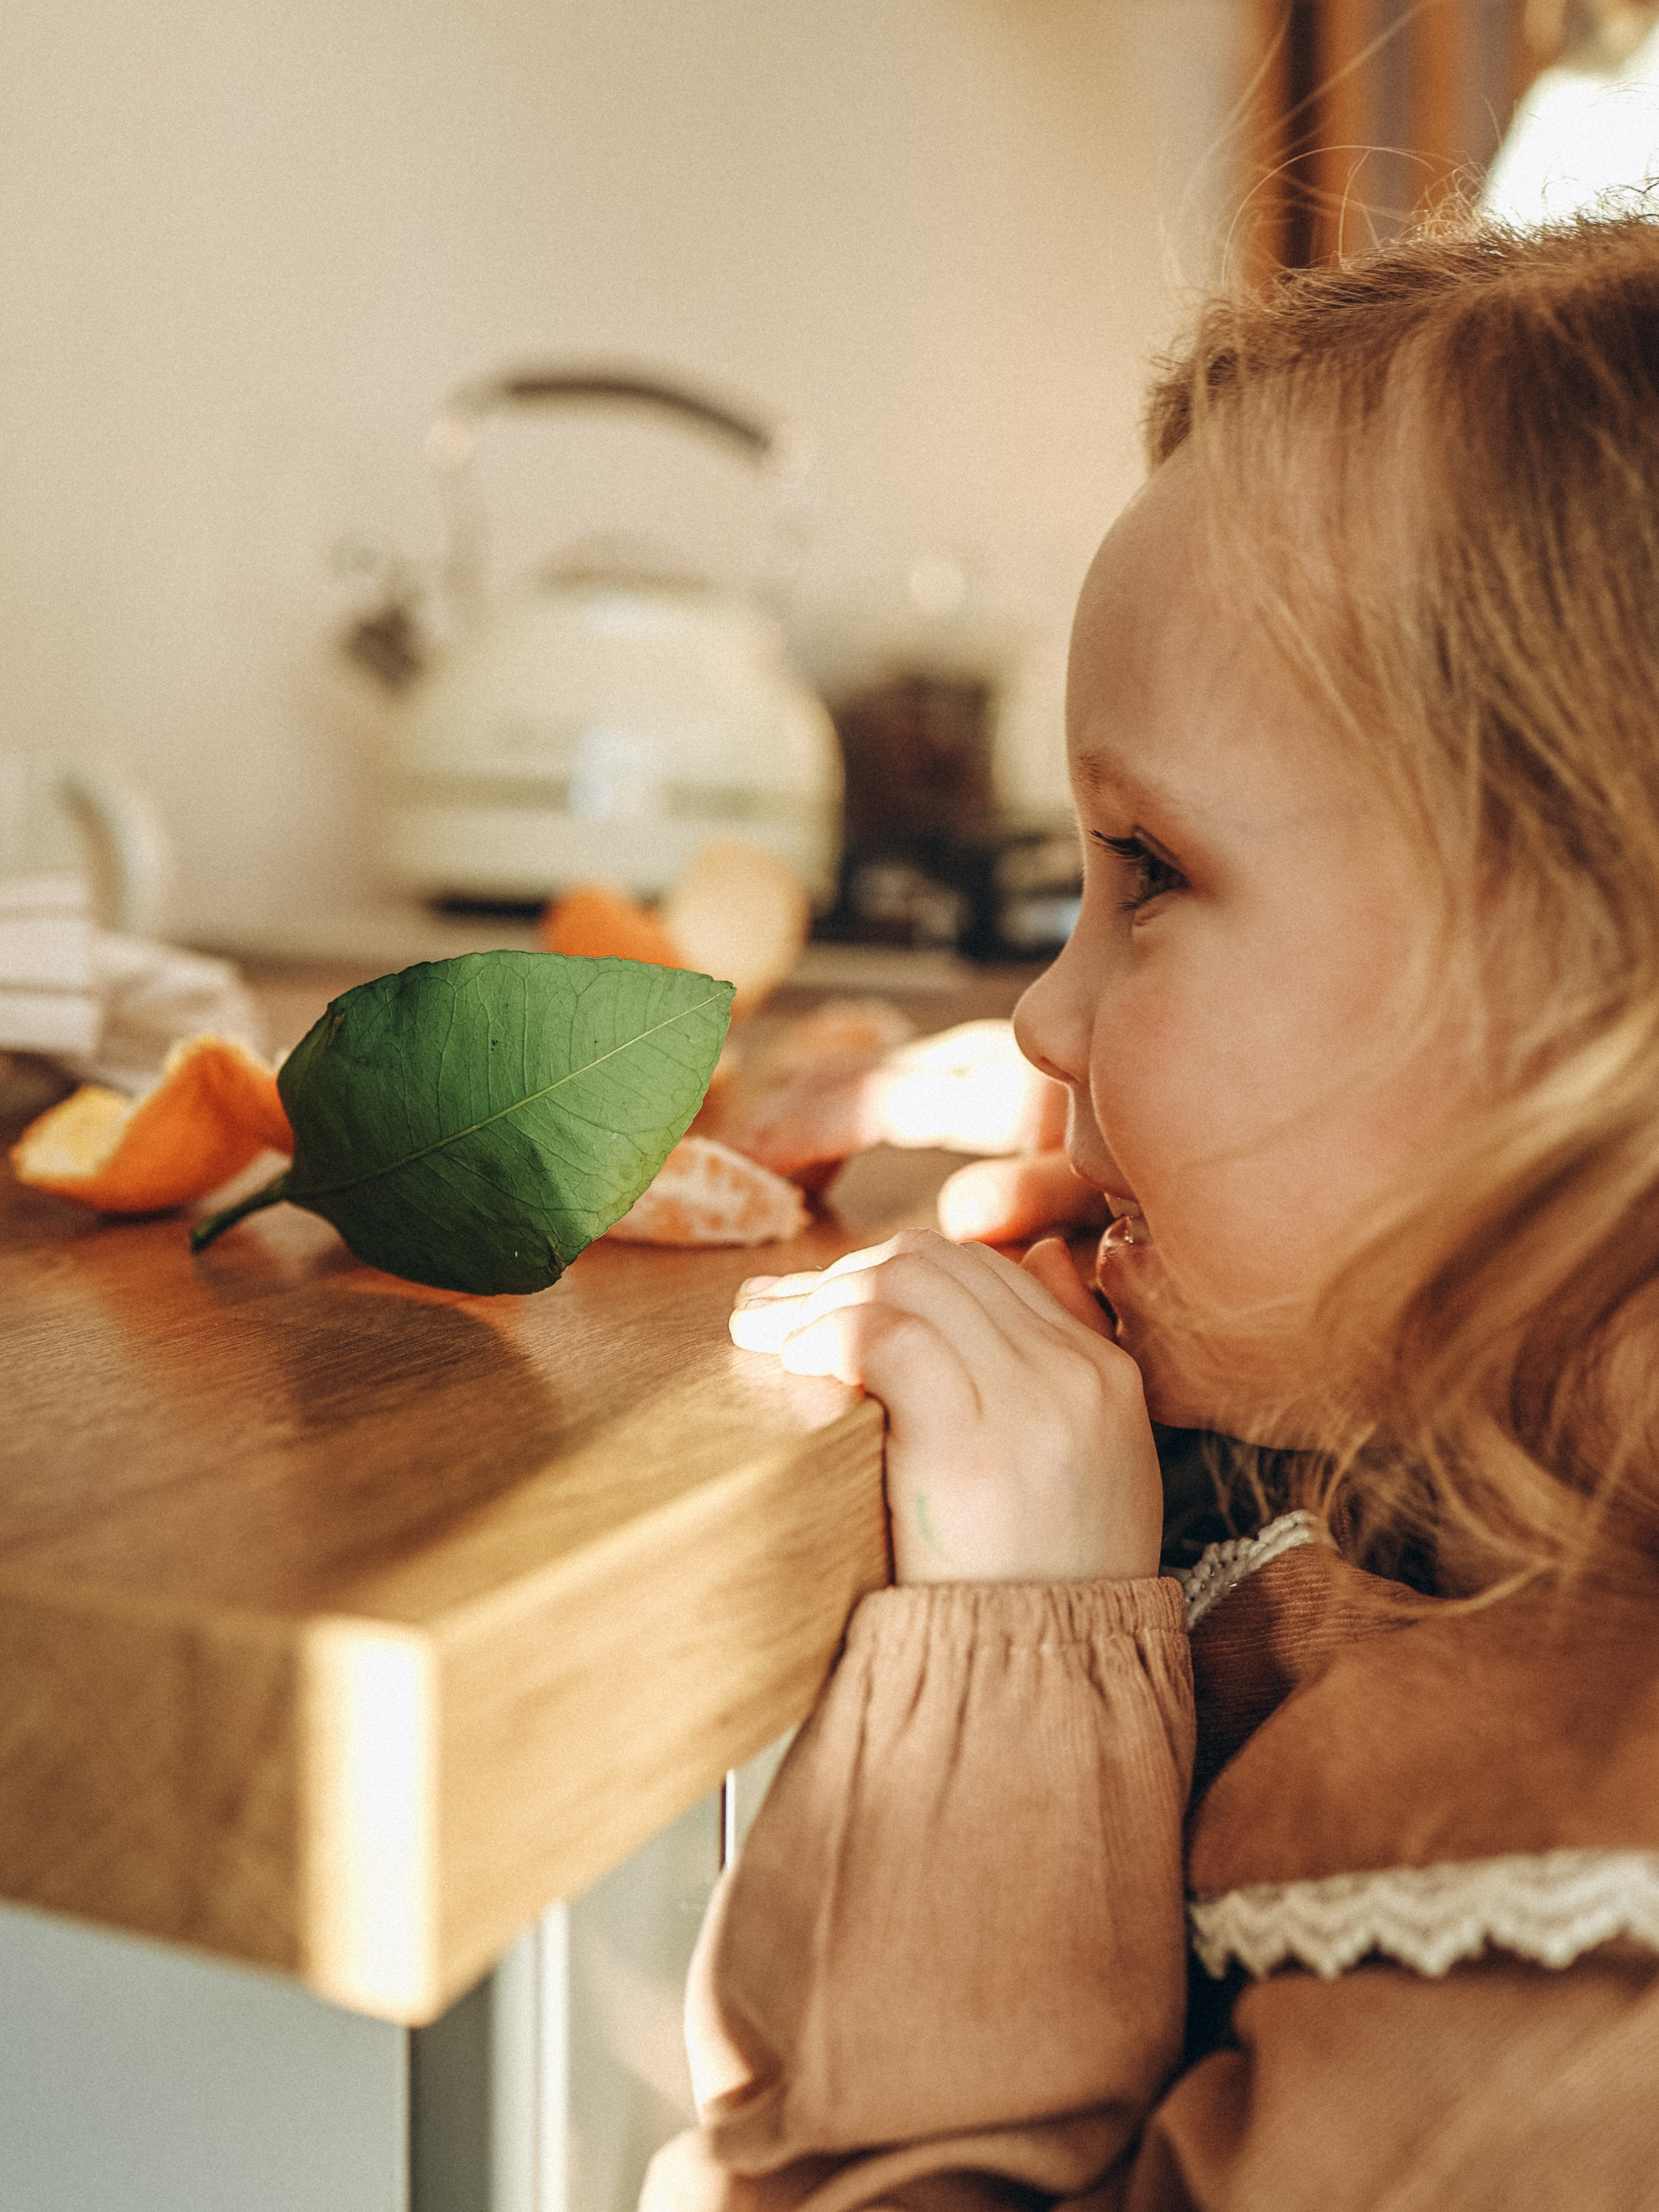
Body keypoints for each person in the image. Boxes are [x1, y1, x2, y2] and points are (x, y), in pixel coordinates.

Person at [645, 215, 1659, 2210]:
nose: (1035, 1014)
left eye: (1151, 871)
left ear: (1582, 1012)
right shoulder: (1469, 1450)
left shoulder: (1578, 1999)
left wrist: (1024, 1659)